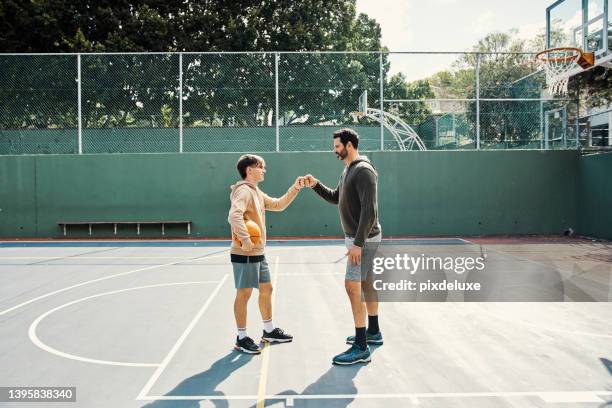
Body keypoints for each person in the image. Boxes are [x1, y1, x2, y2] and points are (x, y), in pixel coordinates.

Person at [303, 128, 383, 365]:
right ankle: (373, 332)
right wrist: (315, 185)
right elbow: (336, 197)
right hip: (359, 239)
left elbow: (370, 211)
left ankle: (361, 347)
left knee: (352, 286)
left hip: (364, 239)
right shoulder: (349, 169)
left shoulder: (363, 171)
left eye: (337, 146)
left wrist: (358, 244)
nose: (334, 150)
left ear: (349, 145)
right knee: (366, 284)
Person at [228, 154, 306, 354]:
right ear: (249, 170)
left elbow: (278, 204)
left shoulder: (256, 192)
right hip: (245, 252)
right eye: (261, 167)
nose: (264, 170)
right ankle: (242, 337)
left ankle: (269, 331)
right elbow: (234, 215)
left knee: (267, 289)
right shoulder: (243, 191)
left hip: (258, 252)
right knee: (244, 294)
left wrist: (295, 188)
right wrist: (245, 240)